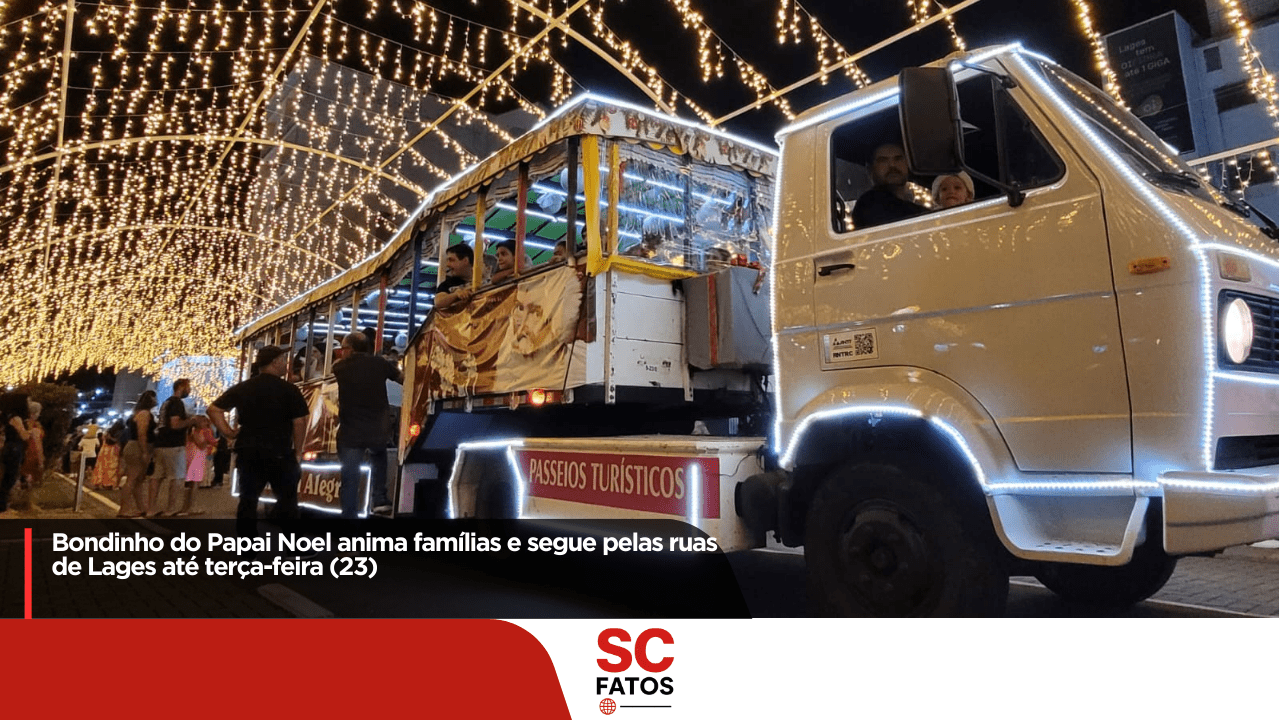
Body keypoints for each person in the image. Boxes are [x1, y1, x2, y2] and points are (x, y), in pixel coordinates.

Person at [208, 345, 309, 538]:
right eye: (283, 360)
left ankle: (247, 545)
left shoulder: (245, 387)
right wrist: (298, 451)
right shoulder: (289, 390)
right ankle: (295, 546)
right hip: (279, 451)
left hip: (248, 449)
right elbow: (299, 422)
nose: (286, 364)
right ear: (274, 362)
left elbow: (214, 409)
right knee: (287, 501)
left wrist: (229, 433)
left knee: (248, 500)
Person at [332, 331, 402, 517]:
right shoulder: (380, 364)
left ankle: (349, 518)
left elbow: (335, 366)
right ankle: (379, 498)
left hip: (350, 433)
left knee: (350, 478)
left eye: (343, 348)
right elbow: (402, 378)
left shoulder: (340, 367)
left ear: (350, 349)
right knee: (379, 458)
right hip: (377, 429)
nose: (341, 352)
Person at [852, 143, 927, 230]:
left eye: (898, 159)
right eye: (883, 160)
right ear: (870, 169)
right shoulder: (869, 203)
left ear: (908, 164)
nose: (892, 165)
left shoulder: (910, 203)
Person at [152, 378, 197, 516]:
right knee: (177, 477)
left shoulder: (166, 402)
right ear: (181, 386)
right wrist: (191, 421)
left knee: (157, 477)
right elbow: (175, 424)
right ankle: (170, 508)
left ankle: (150, 508)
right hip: (174, 445)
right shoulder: (177, 403)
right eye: (188, 387)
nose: (189, 390)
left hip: (160, 443)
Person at [117, 390, 157, 518]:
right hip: (138, 447)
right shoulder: (144, 414)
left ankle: (141, 507)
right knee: (132, 479)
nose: (156, 401)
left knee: (138, 480)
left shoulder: (137, 413)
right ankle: (123, 509)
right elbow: (142, 433)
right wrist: (145, 451)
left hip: (135, 446)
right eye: (154, 398)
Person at [1, 393, 31, 514]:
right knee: (10, 478)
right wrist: (31, 433)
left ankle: (3, 505)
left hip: (10, 447)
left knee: (7, 477)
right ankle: (2, 506)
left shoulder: (7, 416)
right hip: (14, 448)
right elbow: (23, 436)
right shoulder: (16, 418)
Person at [180, 416, 215, 507]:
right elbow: (201, 445)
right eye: (204, 421)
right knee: (194, 483)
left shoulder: (190, 432)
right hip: (196, 458)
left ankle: (187, 506)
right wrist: (207, 441)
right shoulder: (196, 431)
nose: (206, 423)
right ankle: (190, 507)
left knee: (190, 484)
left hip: (192, 456)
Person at [434, 244, 474, 310]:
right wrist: (456, 294)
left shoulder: (483, 281)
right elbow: (438, 302)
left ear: (465, 261)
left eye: (451, 260)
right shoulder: (447, 284)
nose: (448, 264)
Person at [91, 420, 124, 490]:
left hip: (104, 449)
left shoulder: (108, 432)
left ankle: (98, 482)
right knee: (112, 467)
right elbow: (118, 441)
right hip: (113, 450)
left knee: (101, 466)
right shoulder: (120, 433)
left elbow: (104, 438)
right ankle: (108, 483)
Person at [20, 400, 44, 487]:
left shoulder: (24, 423)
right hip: (32, 454)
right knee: (30, 481)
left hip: (27, 453)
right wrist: (40, 460)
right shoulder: (33, 425)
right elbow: (37, 443)